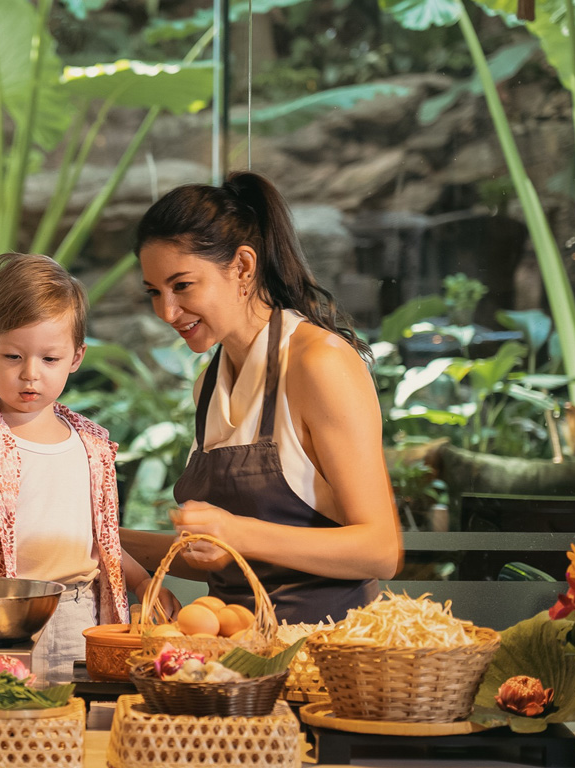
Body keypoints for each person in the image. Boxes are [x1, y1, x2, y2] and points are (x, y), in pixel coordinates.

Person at [0, 253, 180, 683]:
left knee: (75, 724)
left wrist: (144, 582)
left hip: (83, 615)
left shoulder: (91, 443)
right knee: (0, 721)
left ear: (76, 358)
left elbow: (101, 543)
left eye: (49, 359)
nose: (30, 375)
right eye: (13, 357)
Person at [133, 173, 402, 625]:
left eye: (182, 286)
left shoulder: (319, 363)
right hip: (233, 662)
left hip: (323, 657)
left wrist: (236, 533)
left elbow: (381, 551)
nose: (167, 312)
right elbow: (219, 552)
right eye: (154, 293)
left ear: (242, 266)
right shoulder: (208, 383)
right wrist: (98, 534)